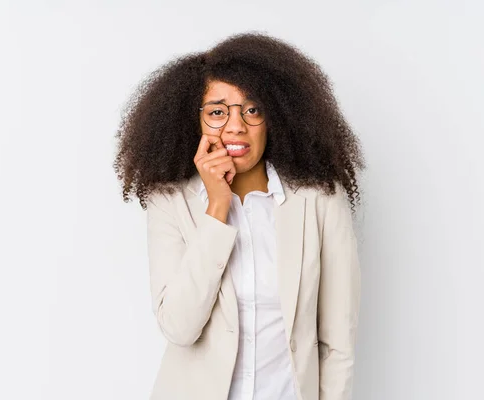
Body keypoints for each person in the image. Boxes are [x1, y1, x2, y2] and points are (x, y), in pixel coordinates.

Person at [113, 31, 366, 400]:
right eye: (217, 111)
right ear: (194, 121)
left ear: (275, 116)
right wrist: (217, 208)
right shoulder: (170, 201)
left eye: (252, 109)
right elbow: (179, 328)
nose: (235, 126)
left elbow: (338, 342)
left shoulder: (320, 199)